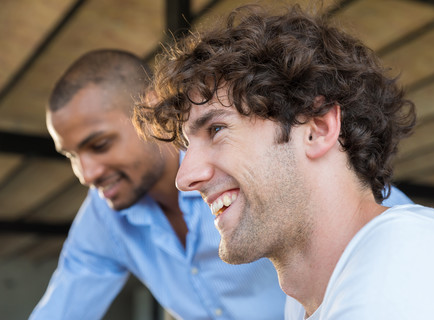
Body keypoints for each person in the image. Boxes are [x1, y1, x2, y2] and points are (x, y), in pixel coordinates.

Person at [134, 4, 434, 320]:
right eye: (187, 146)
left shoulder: (409, 266)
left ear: (318, 129)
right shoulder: (307, 299)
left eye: (217, 129)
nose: (185, 178)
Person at [30, 49, 288, 320]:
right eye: (71, 155)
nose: (86, 175)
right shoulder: (104, 216)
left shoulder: (237, 167)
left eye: (100, 145)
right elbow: (62, 309)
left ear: (150, 109)